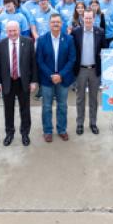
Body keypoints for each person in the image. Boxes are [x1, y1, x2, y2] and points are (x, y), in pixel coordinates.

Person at [0, 20, 37, 147]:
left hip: (23, 81)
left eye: (14, 30)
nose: (12, 33)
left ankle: (25, 134)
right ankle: (9, 134)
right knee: (8, 109)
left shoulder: (28, 42)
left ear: (19, 30)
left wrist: (34, 81)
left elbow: (33, 63)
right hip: (7, 82)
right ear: (6, 31)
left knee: (25, 109)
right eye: (10, 31)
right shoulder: (0, 44)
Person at [36, 14, 76, 142]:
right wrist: (51, 75)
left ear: (61, 24)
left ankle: (62, 129)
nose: (55, 24)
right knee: (47, 106)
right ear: (49, 24)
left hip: (63, 79)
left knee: (62, 106)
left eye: (58, 22)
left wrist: (61, 75)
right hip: (47, 80)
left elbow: (71, 59)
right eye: (53, 22)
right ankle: (47, 131)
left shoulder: (69, 39)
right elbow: (39, 60)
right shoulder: (42, 40)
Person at [72, 9, 105, 135]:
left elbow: (104, 49)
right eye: (86, 18)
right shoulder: (76, 32)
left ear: (94, 18)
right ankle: (80, 123)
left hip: (94, 70)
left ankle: (93, 123)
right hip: (80, 70)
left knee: (93, 99)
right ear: (82, 18)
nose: (88, 20)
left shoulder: (100, 32)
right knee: (80, 98)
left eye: (90, 18)